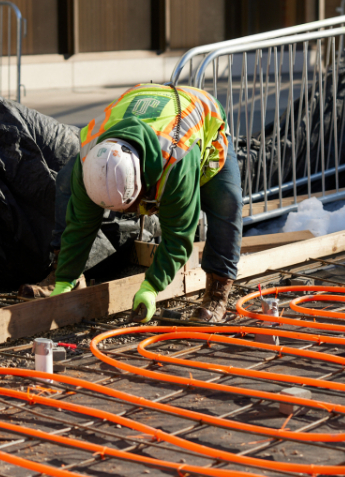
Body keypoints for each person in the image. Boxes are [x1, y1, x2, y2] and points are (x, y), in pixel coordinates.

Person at [21, 83, 242, 323]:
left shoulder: (177, 160)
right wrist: (66, 277)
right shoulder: (91, 162)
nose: (126, 213)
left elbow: (179, 236)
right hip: (143, 103)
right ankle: (62, 275)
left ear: (141, 182)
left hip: (202, 119)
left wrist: (151, 287)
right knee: (65, 181)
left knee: (226, 202)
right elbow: (81, 222)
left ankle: (218, 290)